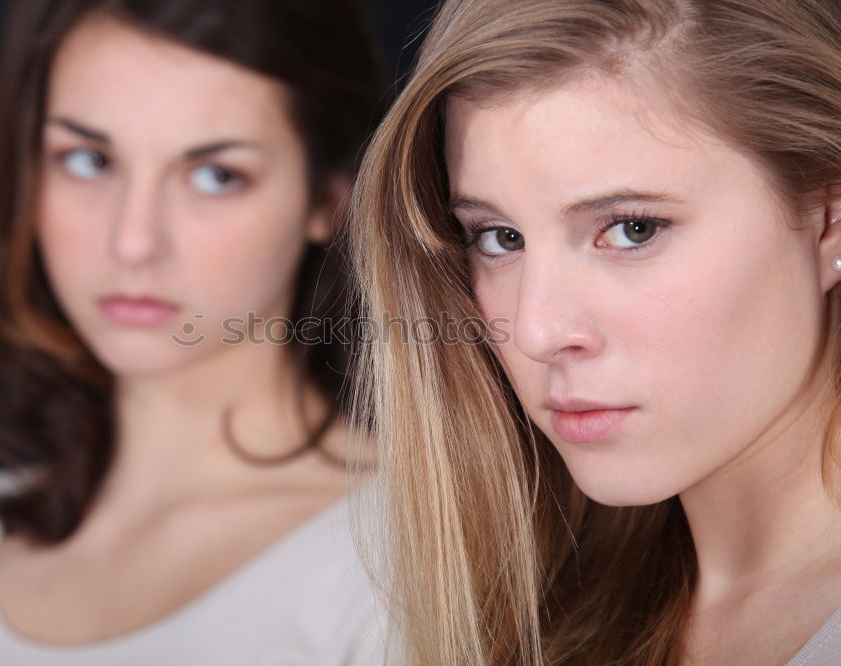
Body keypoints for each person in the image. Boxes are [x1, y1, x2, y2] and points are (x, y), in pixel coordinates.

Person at [0, 1, 389, 664]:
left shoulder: (406, 570)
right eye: (88, 160)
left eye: (215, 175)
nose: (133, 242)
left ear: (329, 200)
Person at [349, 0, 841, 664]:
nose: (536, 329)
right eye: (500, 238)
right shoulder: (538, 617)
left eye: (632, 228)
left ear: (829, 217)